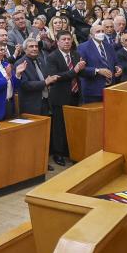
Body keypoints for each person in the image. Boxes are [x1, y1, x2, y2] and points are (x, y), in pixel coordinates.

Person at [42, 32, 84, 166]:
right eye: (63, 39)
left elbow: (81, 72)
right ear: (57, 41)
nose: (67, 41)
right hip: (59, 96)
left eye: (69, 39)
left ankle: (69, 150)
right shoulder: (52, 57)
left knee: (72, 125)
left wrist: (96, 70)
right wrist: (74, 71)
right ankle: (58, 153)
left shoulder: (75, 54)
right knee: (59, 126)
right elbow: (55, 76)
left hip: (75, 94)